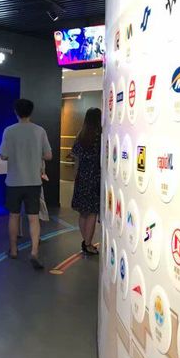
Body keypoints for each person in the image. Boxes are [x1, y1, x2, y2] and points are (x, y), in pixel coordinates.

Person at [0, 99, 52, 270]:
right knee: (33, 218)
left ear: (16, 112)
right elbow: (48, 155)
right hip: (33, 181)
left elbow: (3, 155)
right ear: (31, 112)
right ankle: (34, 252)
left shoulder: (9, 131)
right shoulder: (39, 131)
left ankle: (14, 250)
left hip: (14, 181)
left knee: (14, 216)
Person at [71, 108, 102, 255]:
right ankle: (88, 244)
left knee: (83, 213)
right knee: (92, 213)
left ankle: (85, 241)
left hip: (82, 177)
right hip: (95, 178)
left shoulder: (80, 135)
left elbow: (76, 159)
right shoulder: (100, 137)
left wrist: (76, 176)